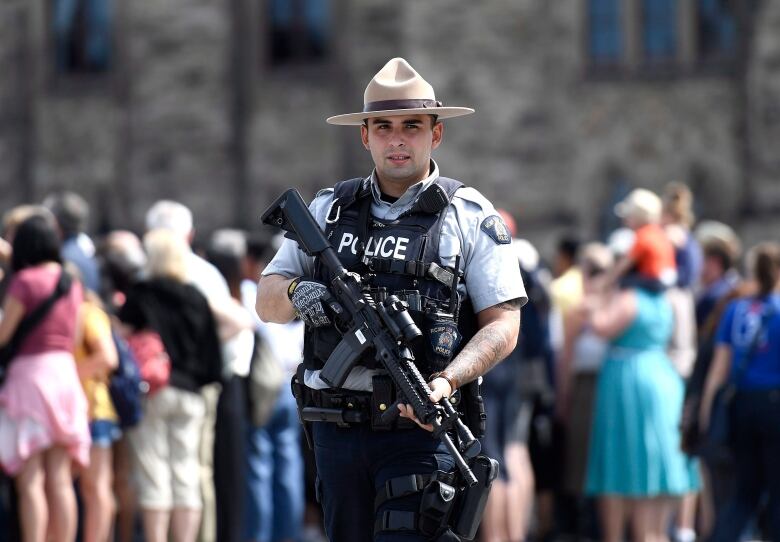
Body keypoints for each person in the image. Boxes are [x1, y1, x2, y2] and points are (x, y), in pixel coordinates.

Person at [255, 57, 526, 542]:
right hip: (337, 431)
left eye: (411, 126)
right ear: (365, 136)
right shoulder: (327, 210)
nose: (397, 139)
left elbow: (503, 324)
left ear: (435, 134)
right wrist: (301, 292)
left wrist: (446, 382)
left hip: (420, 433)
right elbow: (267, 300)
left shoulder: (467, 215)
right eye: (383, 127)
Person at [584, 239, 699, 541]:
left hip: (628, 380)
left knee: (624, 460)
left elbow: (599, 325)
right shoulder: (666, 298)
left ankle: (630, 535)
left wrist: (603, 285)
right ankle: (656, 533)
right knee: (654, 458)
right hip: (662, 377)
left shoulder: (629, 297)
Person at [118, 229, 222, 542]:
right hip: (191, 393)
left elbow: (122, 335)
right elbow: (211, 350)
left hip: (155, 390)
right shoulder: (196, 296)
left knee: (154, 473)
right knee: (187, 474)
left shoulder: (142, 292)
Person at [0, 214, 90, 542]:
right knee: (60, 478)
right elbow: (76, 335)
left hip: (30, 378)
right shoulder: (71, 282)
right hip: (64, 375)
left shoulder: (24, 282)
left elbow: (4, 334)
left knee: (31, 480)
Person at [699, 242, 780, 542]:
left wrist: (709, 411)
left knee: (744, 491)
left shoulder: (736, 309)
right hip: (774, 405)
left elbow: (719, 370)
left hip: (742, 406)